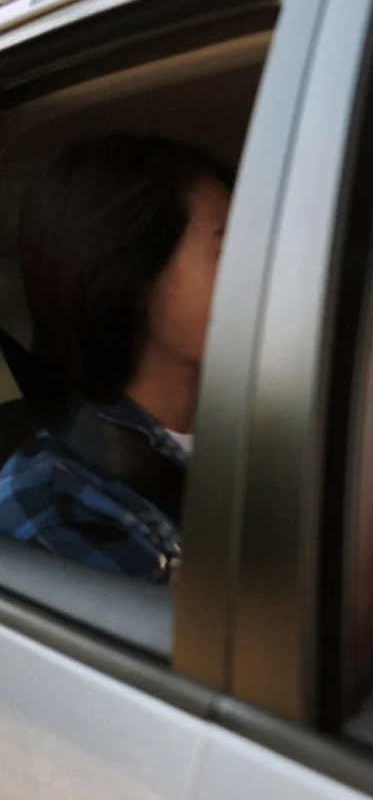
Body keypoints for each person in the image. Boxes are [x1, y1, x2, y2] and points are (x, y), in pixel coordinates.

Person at [0, 133, 231, 581]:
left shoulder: (278, 430)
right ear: (134, 279)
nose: (263, 265)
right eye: (225, 250)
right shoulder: (53, 507)